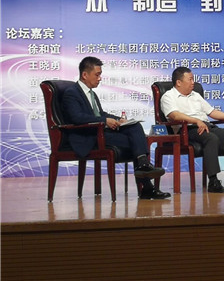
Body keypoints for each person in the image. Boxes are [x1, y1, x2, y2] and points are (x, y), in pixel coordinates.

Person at [62, 56, 170, 200]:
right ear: (85, 75)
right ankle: (146, 182)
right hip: (87, 136)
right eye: (97, 75)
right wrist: (105, 121)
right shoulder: (72, 93)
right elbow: (77, 118)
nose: (100, 78)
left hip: (99, 132)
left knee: (134, 126)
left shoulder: (91, 93)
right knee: (137, 142)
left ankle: (143, 164)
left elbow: (100, 114)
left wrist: (119, 120)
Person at [160, 66, 224, 193]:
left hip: (206, 125)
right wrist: (196, 121)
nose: (193, 82)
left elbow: (212, 112)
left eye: (193, 79)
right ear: (179, 82)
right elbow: (174, 115)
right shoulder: (168, 96)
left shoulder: (195, 95)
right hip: (187, 129)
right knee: (211, 138)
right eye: (190, 79)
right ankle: (213, 181)